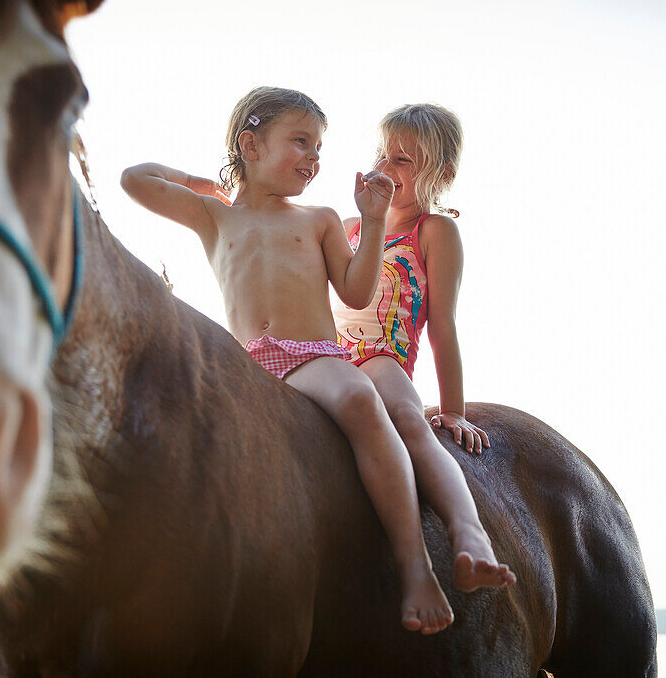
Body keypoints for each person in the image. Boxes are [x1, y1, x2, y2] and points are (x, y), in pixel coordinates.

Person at [120, 86, 454, 634]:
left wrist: (371, 224)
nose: (314, 158)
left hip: (312, 357)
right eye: (300, 142)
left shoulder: (318, 218)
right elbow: (134, 179)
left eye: (319, 147)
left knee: (358, 399)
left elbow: (355, 291)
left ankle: (415, 565)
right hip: (248, 364)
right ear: (251, 146)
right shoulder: (214, 216)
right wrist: (204, 183)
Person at [334, 104, 516, 591]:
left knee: (411, 422)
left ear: (442, 174)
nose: (385, 166)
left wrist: (453, 410)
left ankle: (469, 536)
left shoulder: (434, 232)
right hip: (327, 356)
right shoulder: (350, 228)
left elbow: (443, 326)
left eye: (402, 161)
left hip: (381, 358)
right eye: (381, 154)